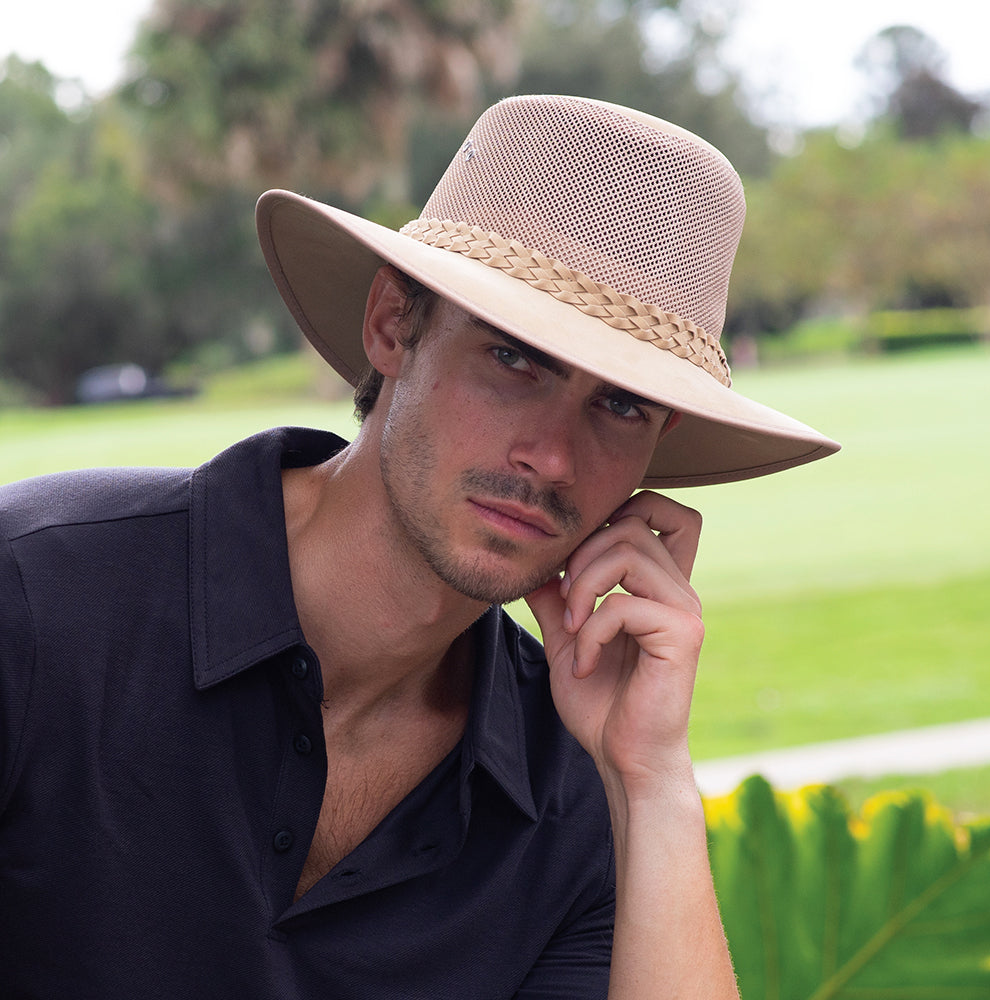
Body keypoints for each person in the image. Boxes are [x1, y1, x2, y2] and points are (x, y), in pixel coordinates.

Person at [0, 95, 839, 998]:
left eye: (621, 406)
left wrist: (652, 786)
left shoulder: (574, 785)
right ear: (392, 325)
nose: (554, 458)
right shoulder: (39, 595)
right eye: (515, 359)